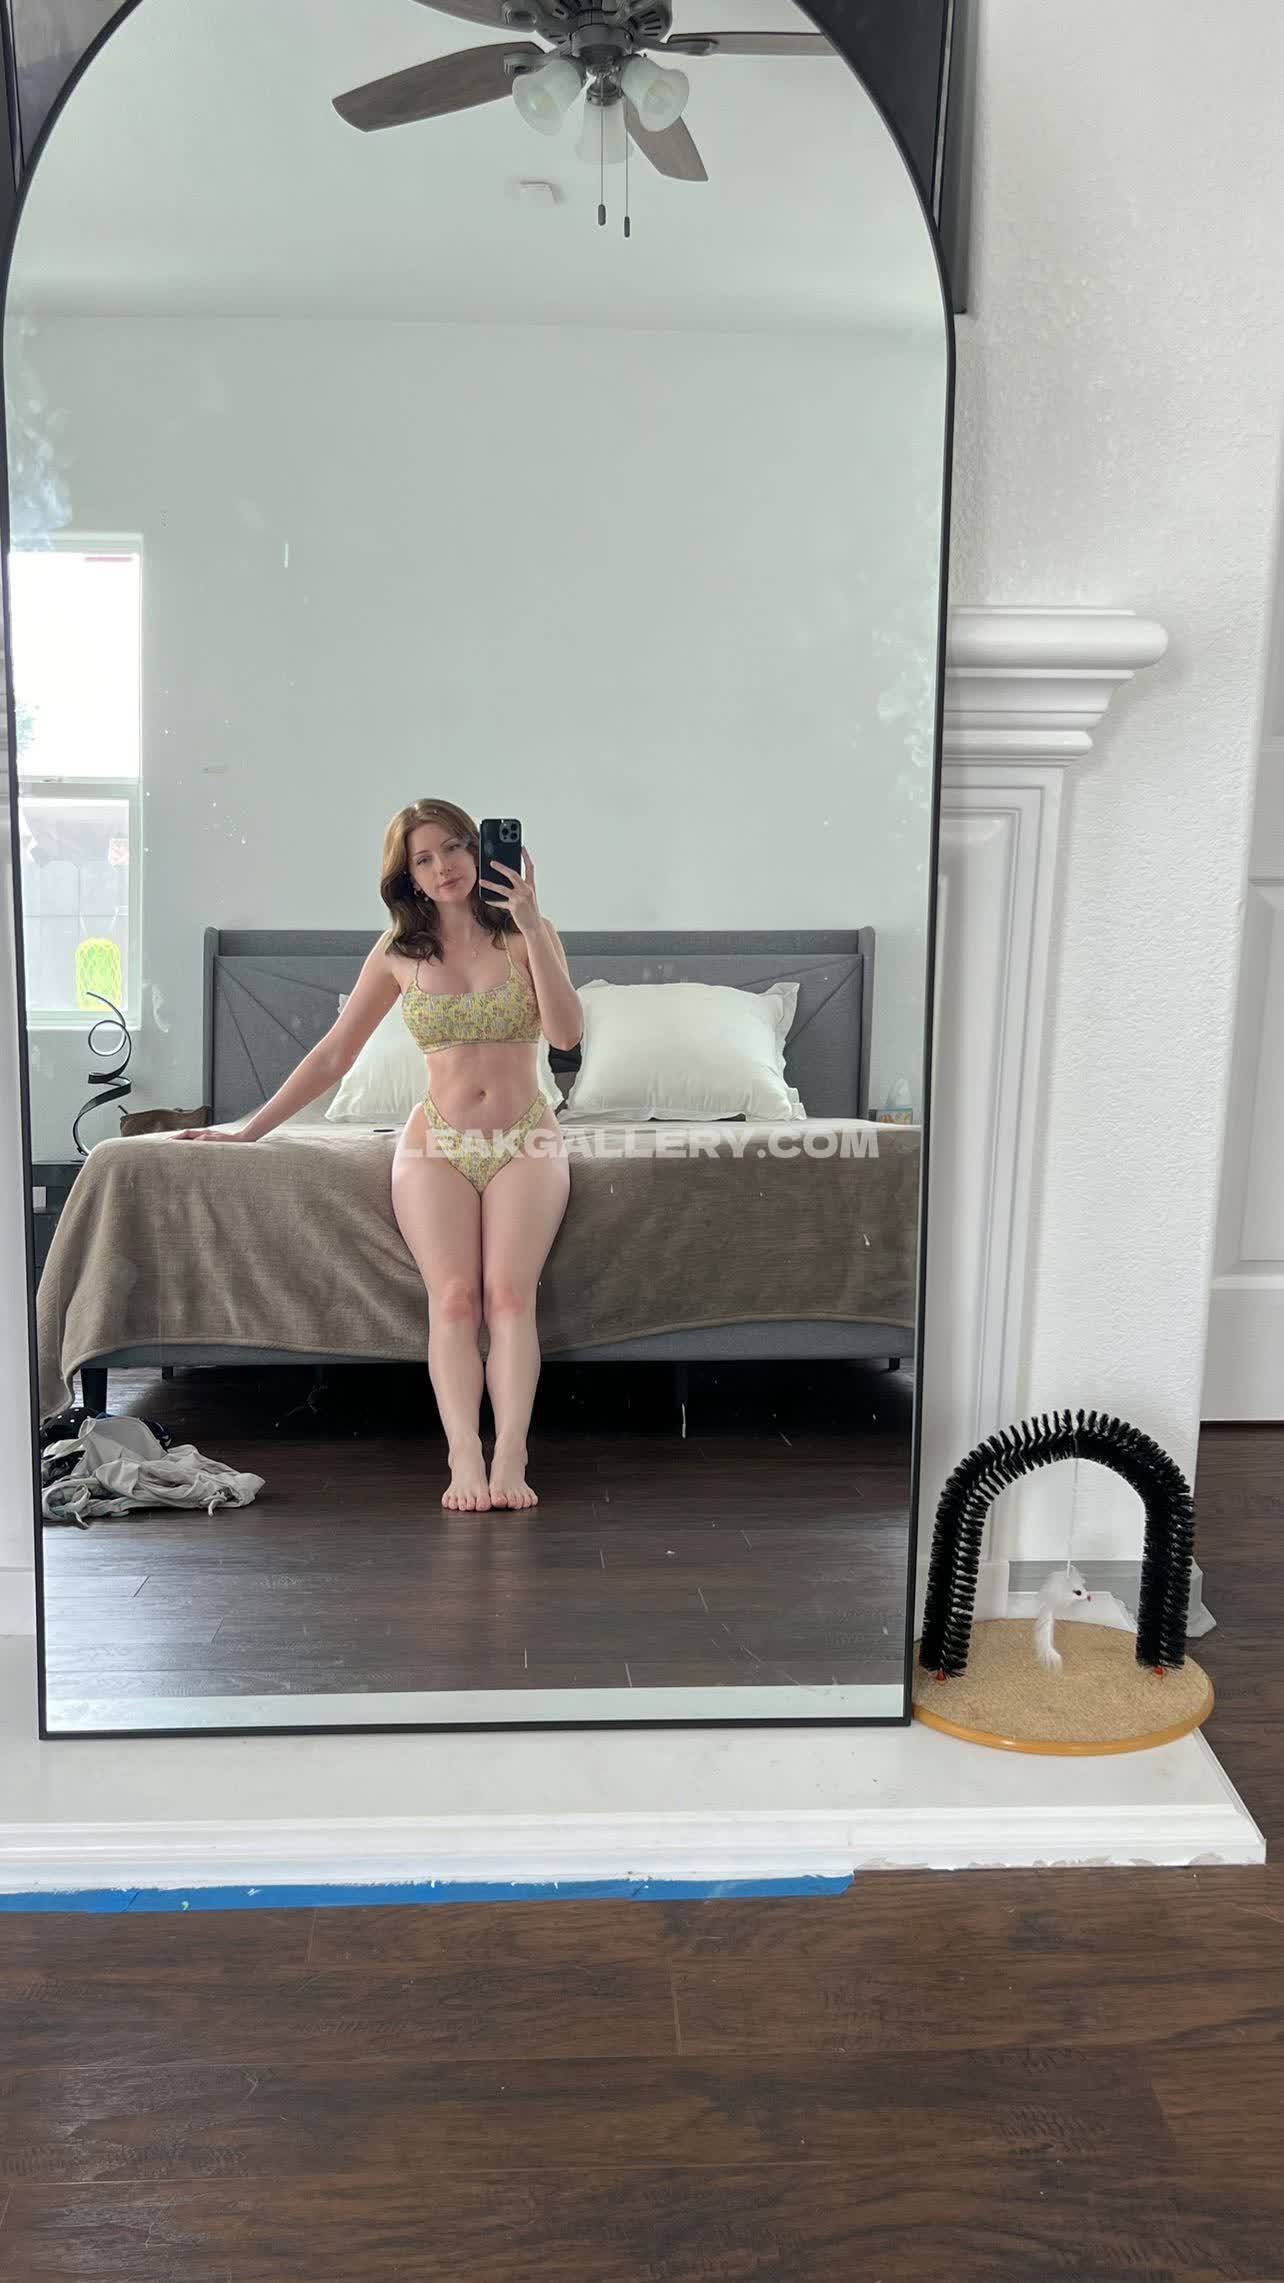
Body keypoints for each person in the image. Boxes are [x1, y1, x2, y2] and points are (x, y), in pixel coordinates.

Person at [173, 798, 582, 1514]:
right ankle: (463, 1452)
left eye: (453, 847)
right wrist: (248, 1131)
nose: (443, 866)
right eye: (423, 858)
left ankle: (512, 1450)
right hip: (435, 1143)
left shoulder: (529, 934)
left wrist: (531, 923)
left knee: (511, 1296)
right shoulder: (398, 950)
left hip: (526, 1136)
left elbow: (567, 1035)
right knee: (453, 1297)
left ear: (477, 851)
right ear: (408, 876)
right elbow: (334, 1054)